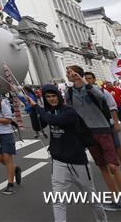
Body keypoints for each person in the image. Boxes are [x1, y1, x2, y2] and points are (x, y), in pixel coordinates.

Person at [24, 85, 107, 222]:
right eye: (48, 97)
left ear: (59, 96)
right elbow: (37, 126)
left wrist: (37, 107)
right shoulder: (49, 111)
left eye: (54, 96)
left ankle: (102, 220)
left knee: (91, 197)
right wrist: (33, 110)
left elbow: (54, 121)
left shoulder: (69, 111)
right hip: (58, 162)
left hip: (77, 161)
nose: (51, 99)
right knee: (58, 201)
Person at [65, 66, 121, 219]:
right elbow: (69, 111)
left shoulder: (94, 89)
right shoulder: (69, 92)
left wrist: (83, 81)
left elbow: (102, 98)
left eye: (71, 72)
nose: (69, 75)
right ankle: (116, 200)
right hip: (87, 133)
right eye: (67, 73)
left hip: (103, 130)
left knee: (113, 166)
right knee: (103, 167)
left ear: (79, 74)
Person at [84, 73, 121, 178]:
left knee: (117, 145)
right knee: (102, 148)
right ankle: (109, 165)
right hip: (94, 127)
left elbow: (113, 108)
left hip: (108, 124)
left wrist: (116, 123)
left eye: (89, 79)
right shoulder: (83, 94)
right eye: (85, 79)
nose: (87, 81)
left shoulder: (103, 92)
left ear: (94, 80)